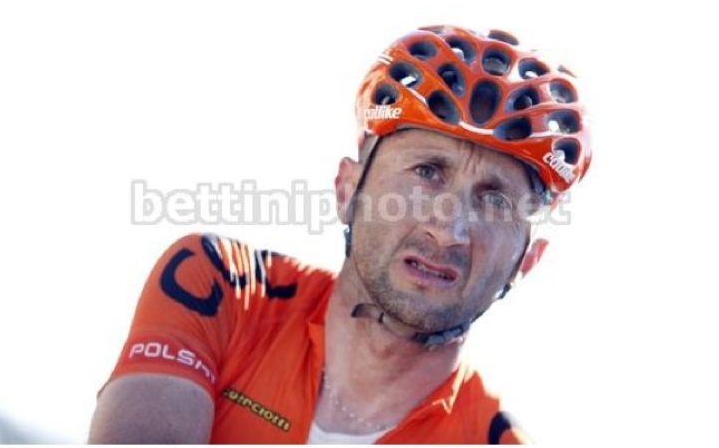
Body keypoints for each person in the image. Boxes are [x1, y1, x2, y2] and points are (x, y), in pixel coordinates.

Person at [88, 24, 591, 444]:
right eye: (427, 172)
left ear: (527, 261)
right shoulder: (225, 287)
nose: (448, 229)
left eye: (495, 200)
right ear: (348, 189)